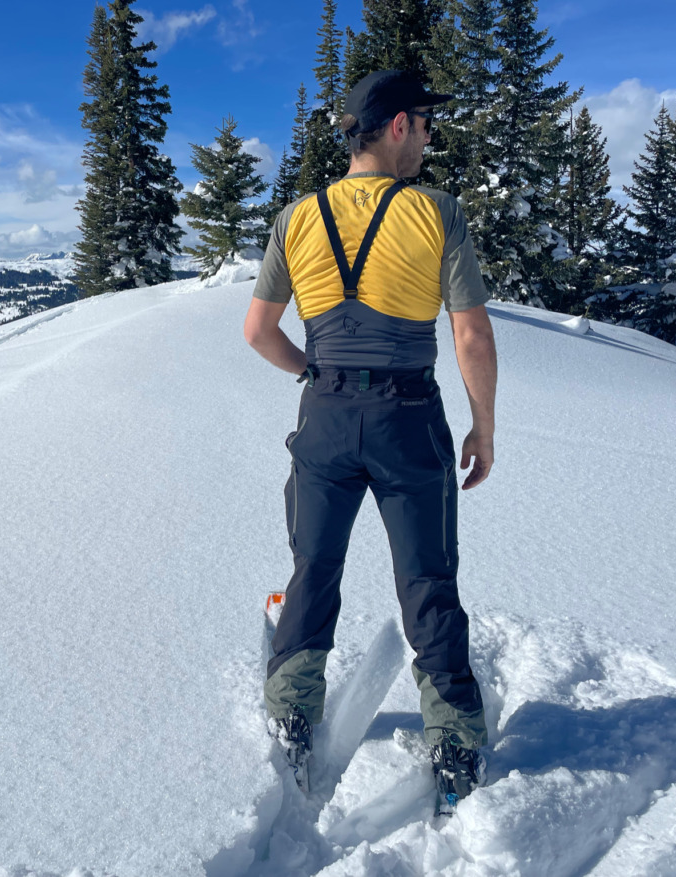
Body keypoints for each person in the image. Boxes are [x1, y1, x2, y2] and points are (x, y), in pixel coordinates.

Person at [244, 69, 498, 809]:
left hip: (324, 415)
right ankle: (454, 740)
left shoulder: (297, 217)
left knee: (313, 564)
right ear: (394, 127)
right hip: (408, 416)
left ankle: (293, 713)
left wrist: (312, 369)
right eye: (423, 122)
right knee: (426, 579)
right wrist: (484, 424)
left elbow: (259, 332)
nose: (428, 135)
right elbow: (473, 334)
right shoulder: (438, 213)